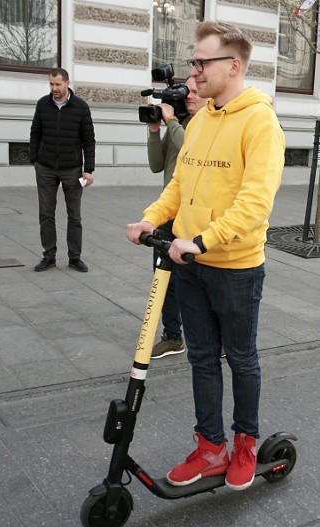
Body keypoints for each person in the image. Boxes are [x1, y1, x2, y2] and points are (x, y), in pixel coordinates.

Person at [126, 21, 285, 490]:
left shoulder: (260, 122)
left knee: (240, 358)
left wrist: (202, 241)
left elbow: (255, 203)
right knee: (200, 358)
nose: (193, 71)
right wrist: (151, 219)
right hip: (189, 263)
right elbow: (179, 184)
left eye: (201, 62)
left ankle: (244, 443)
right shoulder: (199, 121)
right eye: (194, 62)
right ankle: (210, 445)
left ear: (232, 66)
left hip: (234, 267)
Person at [145, 77, 207, 360]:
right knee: (163, 276)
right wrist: (155, 130)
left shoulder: (205, 126)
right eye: (187, 92)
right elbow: (157, 165)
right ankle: (172, 336)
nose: (190, 96)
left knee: (199, 280)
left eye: (195, 91)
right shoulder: (177, 124)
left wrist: (171, 122)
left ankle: (213, 337)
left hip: (194, 214)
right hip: (168, 212)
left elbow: (192, 149)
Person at [30, 67, 95, 273]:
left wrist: (88, 169)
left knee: (74, 215)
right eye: (51, 84)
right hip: (46, 167)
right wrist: (35, 160)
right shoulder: (42, 104)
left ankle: (75, 257)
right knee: (46, 214)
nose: (54, 88)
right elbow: (35, 132)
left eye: (57, 84)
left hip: (72, 170)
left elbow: (88, 140)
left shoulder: (81, 107)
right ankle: (48, 256)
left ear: (67, 83)